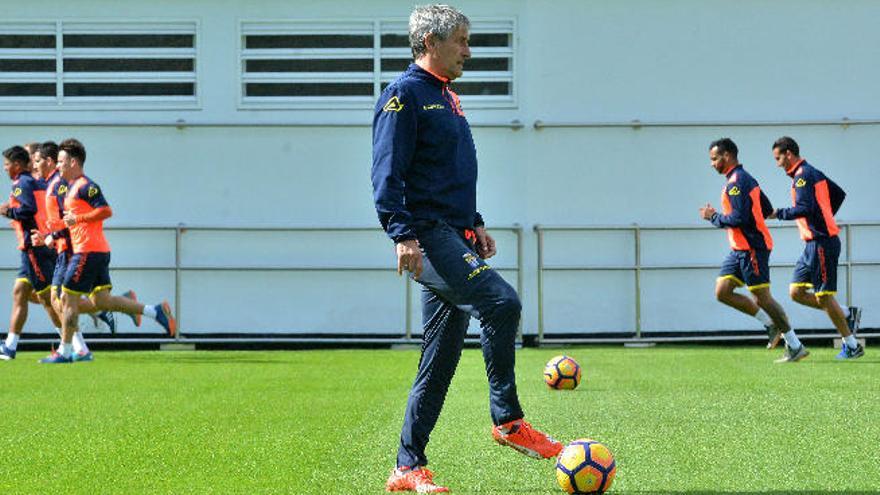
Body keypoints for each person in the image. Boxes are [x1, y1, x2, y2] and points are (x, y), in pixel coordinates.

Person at [372, 5, 561, 493]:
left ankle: (406, 467)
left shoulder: (446, 96)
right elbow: (387, 173)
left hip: (452, 233)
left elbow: (445, 171)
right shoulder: (404, 96)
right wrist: (402, 235)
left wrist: (473, 224)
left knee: (440, 357)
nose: (468, 50)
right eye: (461, 40)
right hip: (426, 235)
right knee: (502, 302)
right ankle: (508, 421)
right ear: (431, 43)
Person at [39, 138, 176, 364]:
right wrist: (54, 234)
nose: (58, 166)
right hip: (96, 251)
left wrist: (78, 218)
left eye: (61, 161)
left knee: (67, 299)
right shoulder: (70, 187)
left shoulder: (86, 185)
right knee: (102, 301)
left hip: (87, 251)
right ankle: (155, 311)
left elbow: (105, 210)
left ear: (73, 162)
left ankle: (66, 351)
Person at [699, 138, 808, 363]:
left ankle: (795, 345)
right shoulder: (743, 179)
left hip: (751, 248)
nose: (712, 164)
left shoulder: (737, 182)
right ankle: (770, 325)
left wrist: (714, 217)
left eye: (714, 159)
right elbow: (766, 208)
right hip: (739, 248)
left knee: (762, 298)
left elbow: (740, 218)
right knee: (723, 291)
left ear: (727, 156)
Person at [767, 136, 863, 360]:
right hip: (812, 244)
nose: (777, 163)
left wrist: (776, 213)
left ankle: (852, 345)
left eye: (778, 158)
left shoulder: (803, 176)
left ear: (789, 154)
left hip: (821, 243)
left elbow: (804, 207)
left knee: (824, 297)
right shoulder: (811, 173)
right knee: (797, 292)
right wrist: (824, 216)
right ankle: (847, 314)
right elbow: (838, 194)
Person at [0, 146, 64, 360]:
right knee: (21, 292)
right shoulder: (30, 182)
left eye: (34, 157)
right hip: (28, 247)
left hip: (36, 246)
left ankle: (72, 343)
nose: (4, 167)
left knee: (49, 298)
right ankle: (10, 346)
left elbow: (28, 209)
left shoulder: (28, 181)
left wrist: (7, 210)